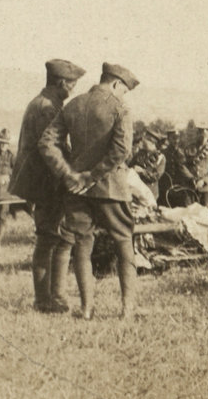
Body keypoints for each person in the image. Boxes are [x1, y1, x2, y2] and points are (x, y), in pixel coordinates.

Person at [39, 62, 140, 320]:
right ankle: (127, 310)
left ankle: (86, 309)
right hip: (111, 189)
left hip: (77, 191)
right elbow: (121, 151)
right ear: (116, 84)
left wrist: (70, 174)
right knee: (124, 242)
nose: (123, 95)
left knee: (82, 246)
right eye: (124, 90)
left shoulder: (73, 105)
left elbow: (47, 142)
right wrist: (93, 176)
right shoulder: (120, 108)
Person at [9, 58, 86, 313]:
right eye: (72, 85)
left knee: (57, 238)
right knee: (48, 240)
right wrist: (70, 173)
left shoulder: (41, 102)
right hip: (46, 182)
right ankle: (44, 300)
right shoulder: (48, 108)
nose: (73, 90)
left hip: (42, 181)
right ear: (62, 82)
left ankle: (55, 297)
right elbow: (52, 149)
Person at [129, 129, 166, 201]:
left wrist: (142, 171)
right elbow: (129, 167)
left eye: (146, 140)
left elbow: (155, 177)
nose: (142, 142)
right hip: (135, 192)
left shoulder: (160, 158)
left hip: (150, 194)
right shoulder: (139, 153)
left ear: (153, 143)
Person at [158, 129, 184, 206]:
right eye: (173, 138)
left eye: (177, 138)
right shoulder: (163, 153)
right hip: (164, 187)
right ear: (168, 139)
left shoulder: (182, 154)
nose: (176, 141)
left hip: (179, 188)